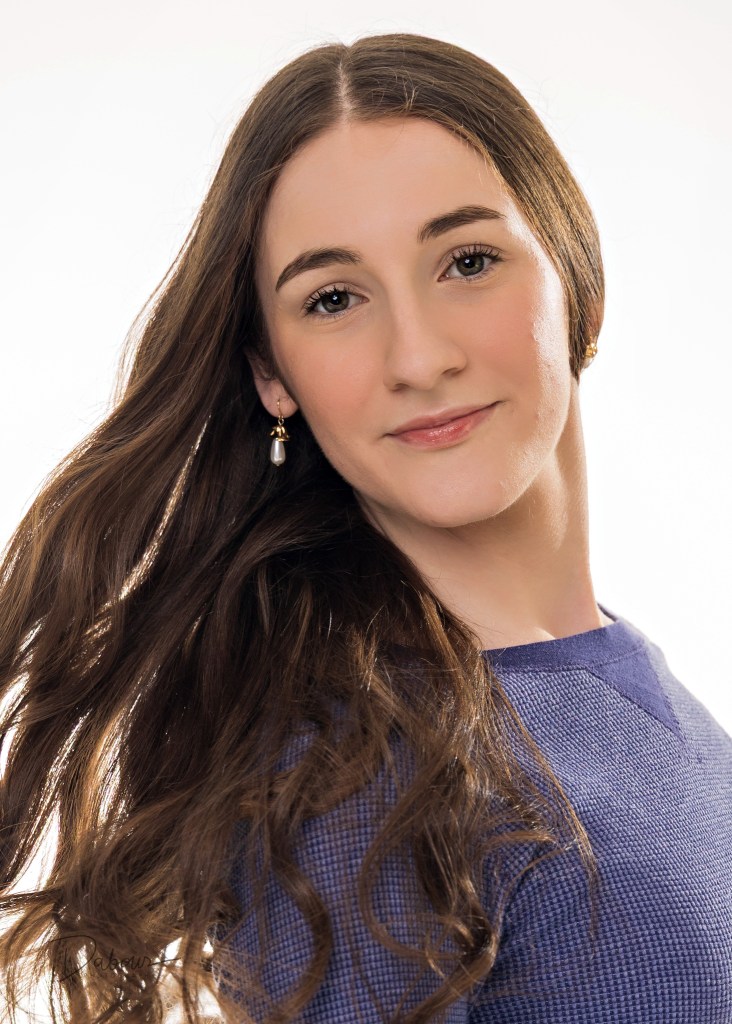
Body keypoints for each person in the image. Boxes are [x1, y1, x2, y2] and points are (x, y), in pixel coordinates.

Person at [0, 30, 730, 1024]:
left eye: (467, 260)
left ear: (576, 278)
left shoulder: (636, 691)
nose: (419, 356)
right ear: (273, 375)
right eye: (334, 298)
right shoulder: (363, 781)